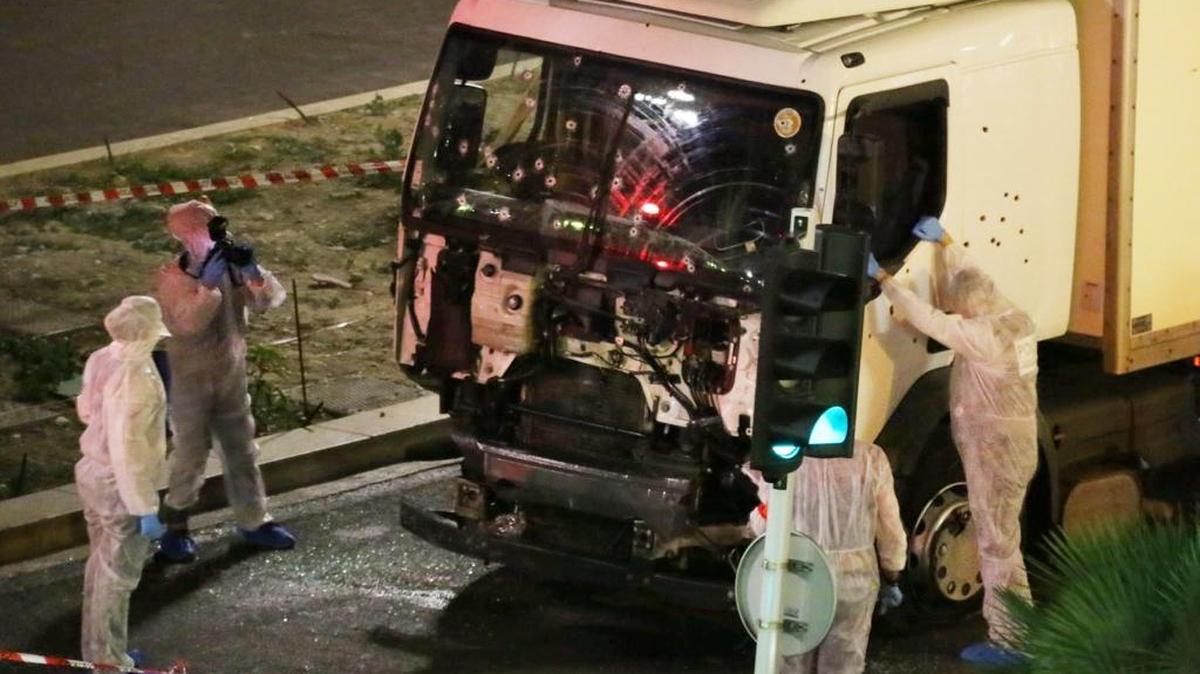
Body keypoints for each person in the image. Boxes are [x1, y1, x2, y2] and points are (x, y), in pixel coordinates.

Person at [868, 216, 1038, 666]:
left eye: (961, 310)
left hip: (996, 452)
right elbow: (976, 281)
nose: (958, 314)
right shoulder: (1013, 316)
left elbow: (929, 319)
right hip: (1011, 447)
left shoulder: (983, 336)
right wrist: (947, 244)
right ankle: (1016, 631)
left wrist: (885, 280)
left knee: (998, 546)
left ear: (971, 310)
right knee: (1003, 539)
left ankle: (1012, 640)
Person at [154, 199, 295, 562]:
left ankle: (254, 520)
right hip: (191, 380)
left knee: (242, 451)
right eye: (204, 229)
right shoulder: (173, 278)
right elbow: (186, 324)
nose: (215, 235)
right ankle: (175, 525)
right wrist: (205, 288)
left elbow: (269, 300)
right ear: (184, 237)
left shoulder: (230, 270)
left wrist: (252, 272)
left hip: (230, 375)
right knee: (190, 453)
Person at [747, 440, 907, 674]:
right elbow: (890, 528)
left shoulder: (784, 456)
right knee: (843, 662)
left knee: (790, 661)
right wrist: (892, 574)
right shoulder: (871, 457)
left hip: (795, 576)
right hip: (853, 581)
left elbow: (766, 522)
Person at [75, 296, 171, 667]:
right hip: (119, 485)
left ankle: (99, 649)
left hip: (91, 472)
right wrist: (145, 507)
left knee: (100, 569)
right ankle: (109, 659)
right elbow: (128, 451)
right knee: (118, 577)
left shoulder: (102, 357)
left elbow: (85, 409)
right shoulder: (138, 379)